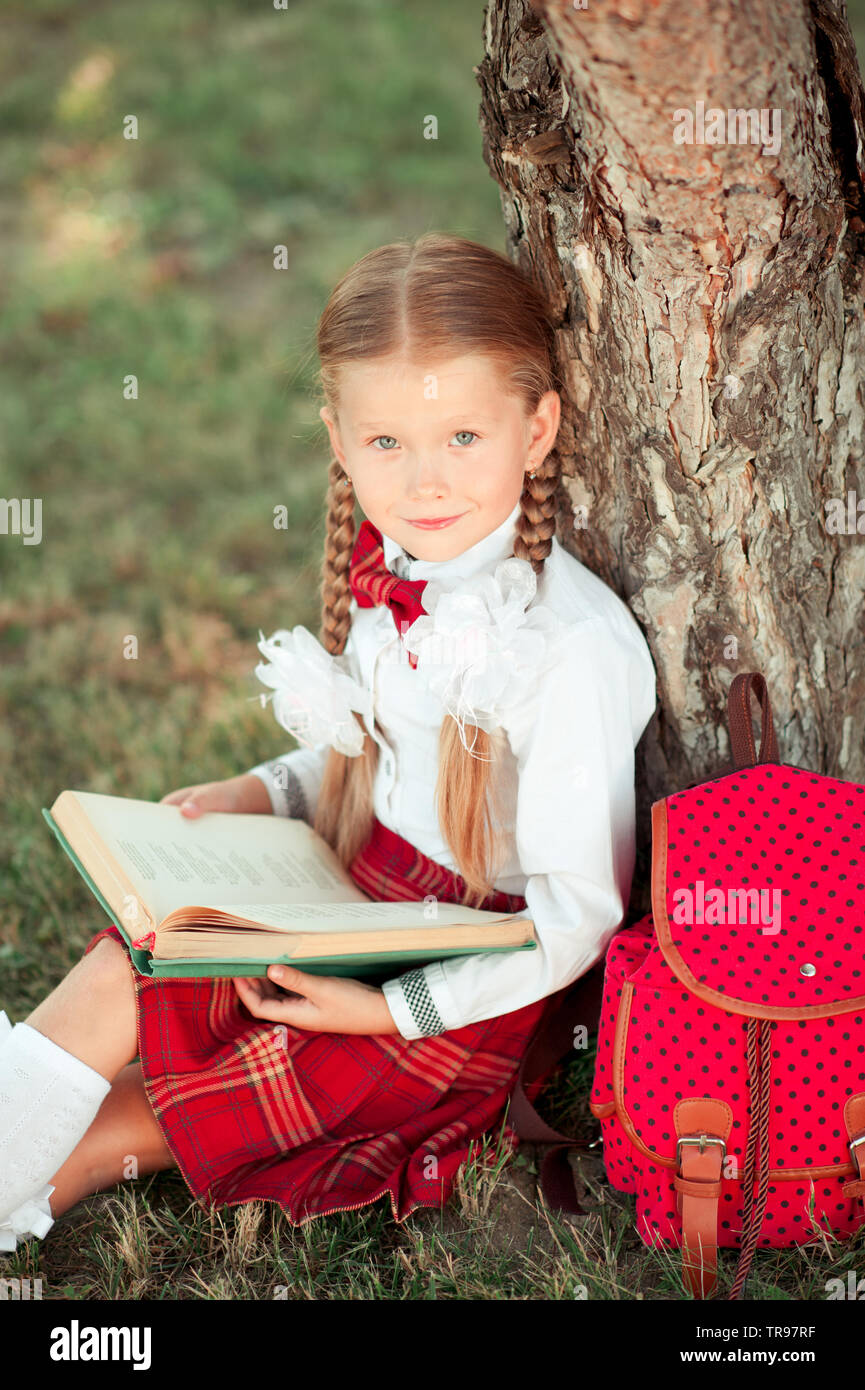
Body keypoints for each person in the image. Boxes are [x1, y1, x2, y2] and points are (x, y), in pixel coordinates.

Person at [0, 233, 657, 1252]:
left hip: (455, 977)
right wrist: (258, 790)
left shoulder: (566, 649)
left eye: (462, 438)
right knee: (121, 975)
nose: (424, 481)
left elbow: (574, 919)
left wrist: (388, 1016)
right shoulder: (388, 570)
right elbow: (379, 755)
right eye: (386, 442)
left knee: (119, 1129)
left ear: (537, 429)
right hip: (348, 898)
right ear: (338, 440)